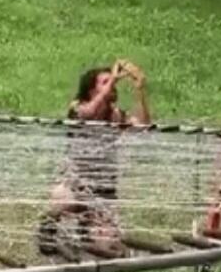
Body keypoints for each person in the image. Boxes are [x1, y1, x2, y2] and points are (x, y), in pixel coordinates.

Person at [38, 62, 152, 258]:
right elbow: (88, 113)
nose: (113, 85)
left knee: (108, 247)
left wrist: (139, 90)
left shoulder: (116, 115)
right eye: (106, 82)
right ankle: (47, 232)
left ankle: (87, 236)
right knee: (60, 198)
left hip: (103, 191)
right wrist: (114, 79)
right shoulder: (78, 108)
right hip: (77, 185)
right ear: (91, 90)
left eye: (113, 82)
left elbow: (143, 127)